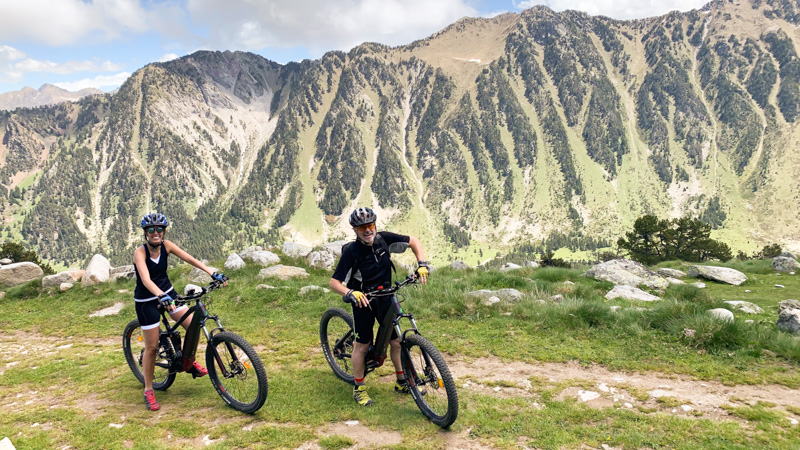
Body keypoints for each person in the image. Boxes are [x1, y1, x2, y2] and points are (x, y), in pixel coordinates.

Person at [329, 207, 430, 407]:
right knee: (362, 345)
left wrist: (422, 264)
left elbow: (414, 241)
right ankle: (359, 388)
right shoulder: (351, 252)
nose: (368, 230)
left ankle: (402, 381)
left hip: (386, 297)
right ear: (355, 230)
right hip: (363, 300)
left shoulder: (384, 239)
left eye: (371, 225)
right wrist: (350, 292)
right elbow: (334, 282)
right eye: (362, 227)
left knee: (396, 342)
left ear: (375, 225)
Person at [133, 212, 227, 411]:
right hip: (146, 300)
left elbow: (190, 259)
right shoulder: (139, 253)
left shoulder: (167, 246)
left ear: (164, 232)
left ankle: (188, 361)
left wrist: (212, 272)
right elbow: (146, 279)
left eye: (159, 229)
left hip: (168, 293)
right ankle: (149, 389)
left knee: (193, 324)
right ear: (146, 233)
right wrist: (160, 295)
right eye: (151, 230)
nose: (155, 233)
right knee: (152, 346)